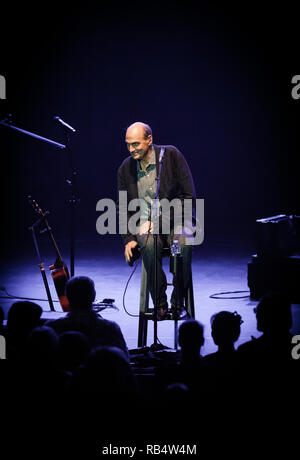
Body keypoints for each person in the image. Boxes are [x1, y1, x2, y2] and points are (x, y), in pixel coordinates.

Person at [118, 121, 197, 319]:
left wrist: (159, 222)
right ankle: (160, 303)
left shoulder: (171, 155)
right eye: (128, 144)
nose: (131, 149)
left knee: (182, 244)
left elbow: (188, 197)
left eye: (136, 144)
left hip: (176, 224)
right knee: (148, 243)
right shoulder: (125, 168)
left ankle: (178, 301)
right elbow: (122, 208)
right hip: (147, 230)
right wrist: (129, 238)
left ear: (149, 139)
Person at [46, 276, 129, 360]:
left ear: (67, 297)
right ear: (93, 296)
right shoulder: (110, 328)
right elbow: (124, 359)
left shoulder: (52, 327)